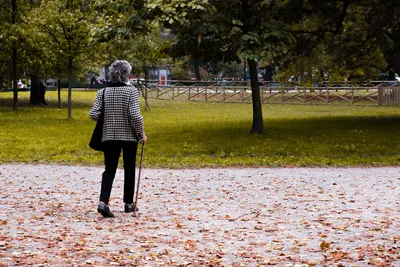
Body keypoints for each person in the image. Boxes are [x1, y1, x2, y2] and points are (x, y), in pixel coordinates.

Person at [89, 60, 147, 218]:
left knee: (109, 169)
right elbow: (135, 116)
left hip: (108, 135)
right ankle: (129, 204)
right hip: (128, 136)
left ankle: (103, 202)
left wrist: (109, 116)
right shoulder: (131, 92)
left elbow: (93, 114)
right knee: (129, 168)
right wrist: (142, 135)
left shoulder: (103, 92)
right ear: (127, 74)